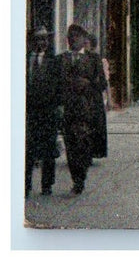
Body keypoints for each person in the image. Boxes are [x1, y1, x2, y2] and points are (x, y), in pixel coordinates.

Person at [61, 24, 106, 194]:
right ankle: (76, 178)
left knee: (83, 144)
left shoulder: (93, 59)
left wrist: (89, 84)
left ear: (83, 39)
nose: (73, 40)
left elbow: (102, 83)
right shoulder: (62, 59)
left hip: (87, 110)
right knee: (70, 145)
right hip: (69, 109)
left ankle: (80, 178)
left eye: (76, 37)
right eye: (70, 37)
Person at [26, 27, 62, 197]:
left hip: (48, 111)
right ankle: (25, 185)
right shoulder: (24, 60)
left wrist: (57, 107)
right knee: (28, 150)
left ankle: (47, 185)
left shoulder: (53, 61)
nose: (42, 43)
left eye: (44, 39)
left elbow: (59, 87)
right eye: (38, 39)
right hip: (30, 111)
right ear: (32, 42)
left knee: (48, 150)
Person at [86, 34, 109, 159]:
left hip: (93, 97)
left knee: (94, 124)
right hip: (91, 96)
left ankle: (92, 151)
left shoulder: (95, 58)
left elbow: (103, 81)